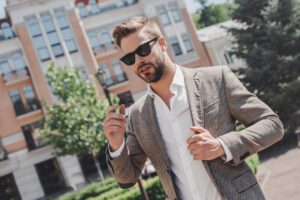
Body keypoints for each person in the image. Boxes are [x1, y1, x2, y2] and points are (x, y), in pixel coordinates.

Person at [103, 16, 284, 200]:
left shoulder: (216, 79)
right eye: (129, 58)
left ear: (163, 44)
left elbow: (272, 125)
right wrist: (117, 145)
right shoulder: (137, 115)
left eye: (142, 50)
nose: (138, 61)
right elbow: (127, 179)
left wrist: (222, 146)